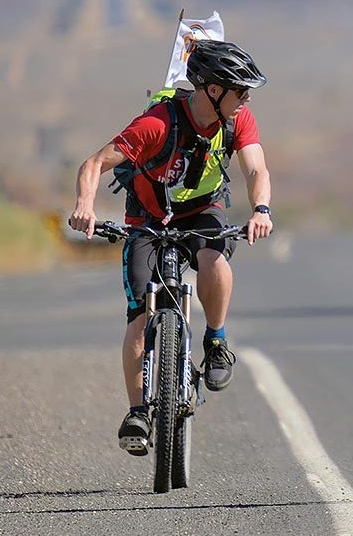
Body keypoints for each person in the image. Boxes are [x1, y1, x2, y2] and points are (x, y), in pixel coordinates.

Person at [69, 40, 274, 455]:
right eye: (240, 90)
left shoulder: (238, 121)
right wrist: (84, 206)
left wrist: (261, 210)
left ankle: (216, 342)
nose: (247, 99)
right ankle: (137, 411)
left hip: (203, 209)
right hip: (147, 217)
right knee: (141, 316)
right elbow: (93, 163)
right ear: (213, 90)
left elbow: (256, 167)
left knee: (213, 257)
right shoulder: (157, 125)